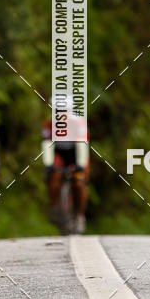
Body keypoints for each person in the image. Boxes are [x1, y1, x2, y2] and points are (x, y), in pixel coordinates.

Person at [42, 100, 90, 234]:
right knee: (54, 177)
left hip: (76, 153)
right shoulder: (49, 124)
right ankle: (55, 208)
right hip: (59, 154)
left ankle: (79, 216)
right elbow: (46, 146)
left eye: (64, 112)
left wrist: (80, 166)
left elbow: (82, 147)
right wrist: (48, 164)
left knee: (79, 183)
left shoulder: (78, 123)